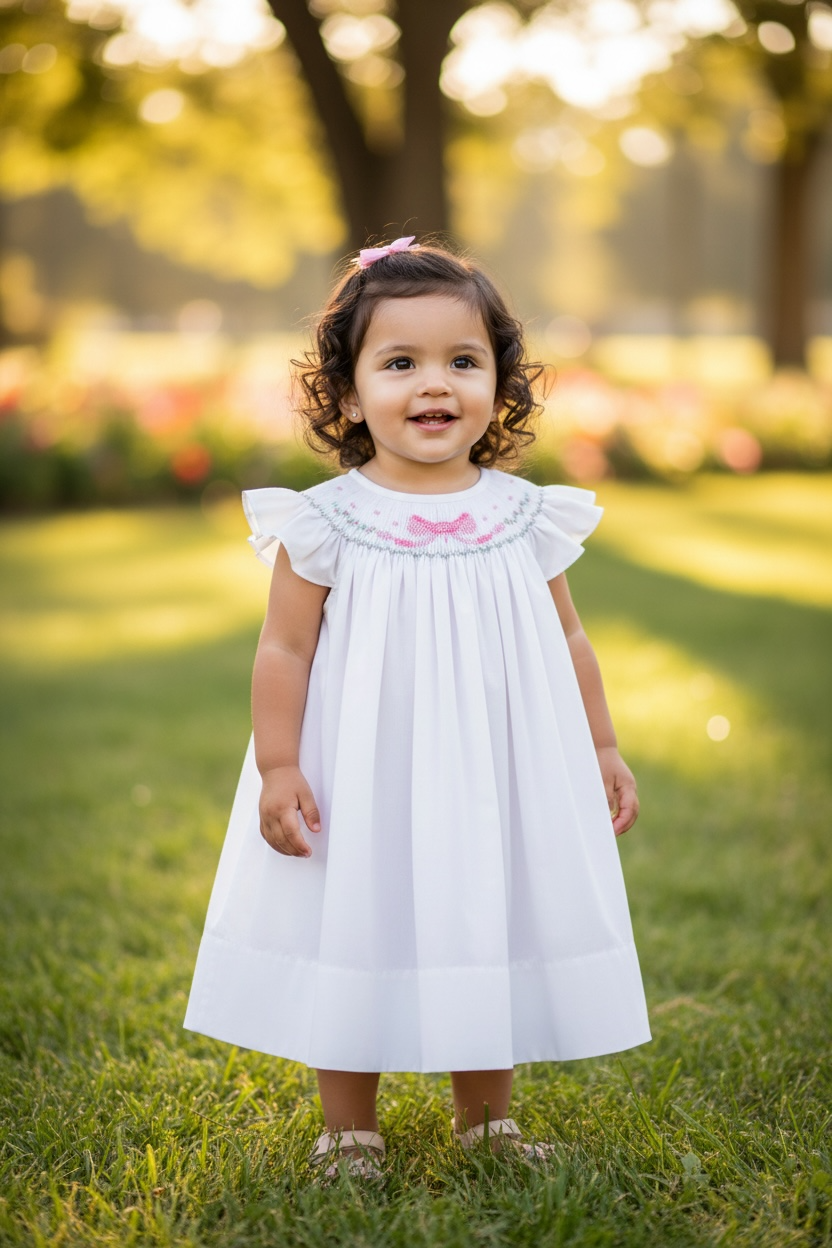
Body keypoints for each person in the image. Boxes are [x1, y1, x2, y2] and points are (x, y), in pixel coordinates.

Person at [185, 236, 651, 1182]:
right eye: (401, 363)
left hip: (495, 767)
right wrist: (281, 764)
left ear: (499, 385)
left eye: (462, 362)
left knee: (489, 910)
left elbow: (569, 639)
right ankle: (348, 1127)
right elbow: (285, 648)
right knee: (353, 913)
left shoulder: (526, 514)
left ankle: (487, 1123)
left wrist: (599, 742)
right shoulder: (326, 519)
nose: (434, 384)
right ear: (350, 394)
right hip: (362, 767)